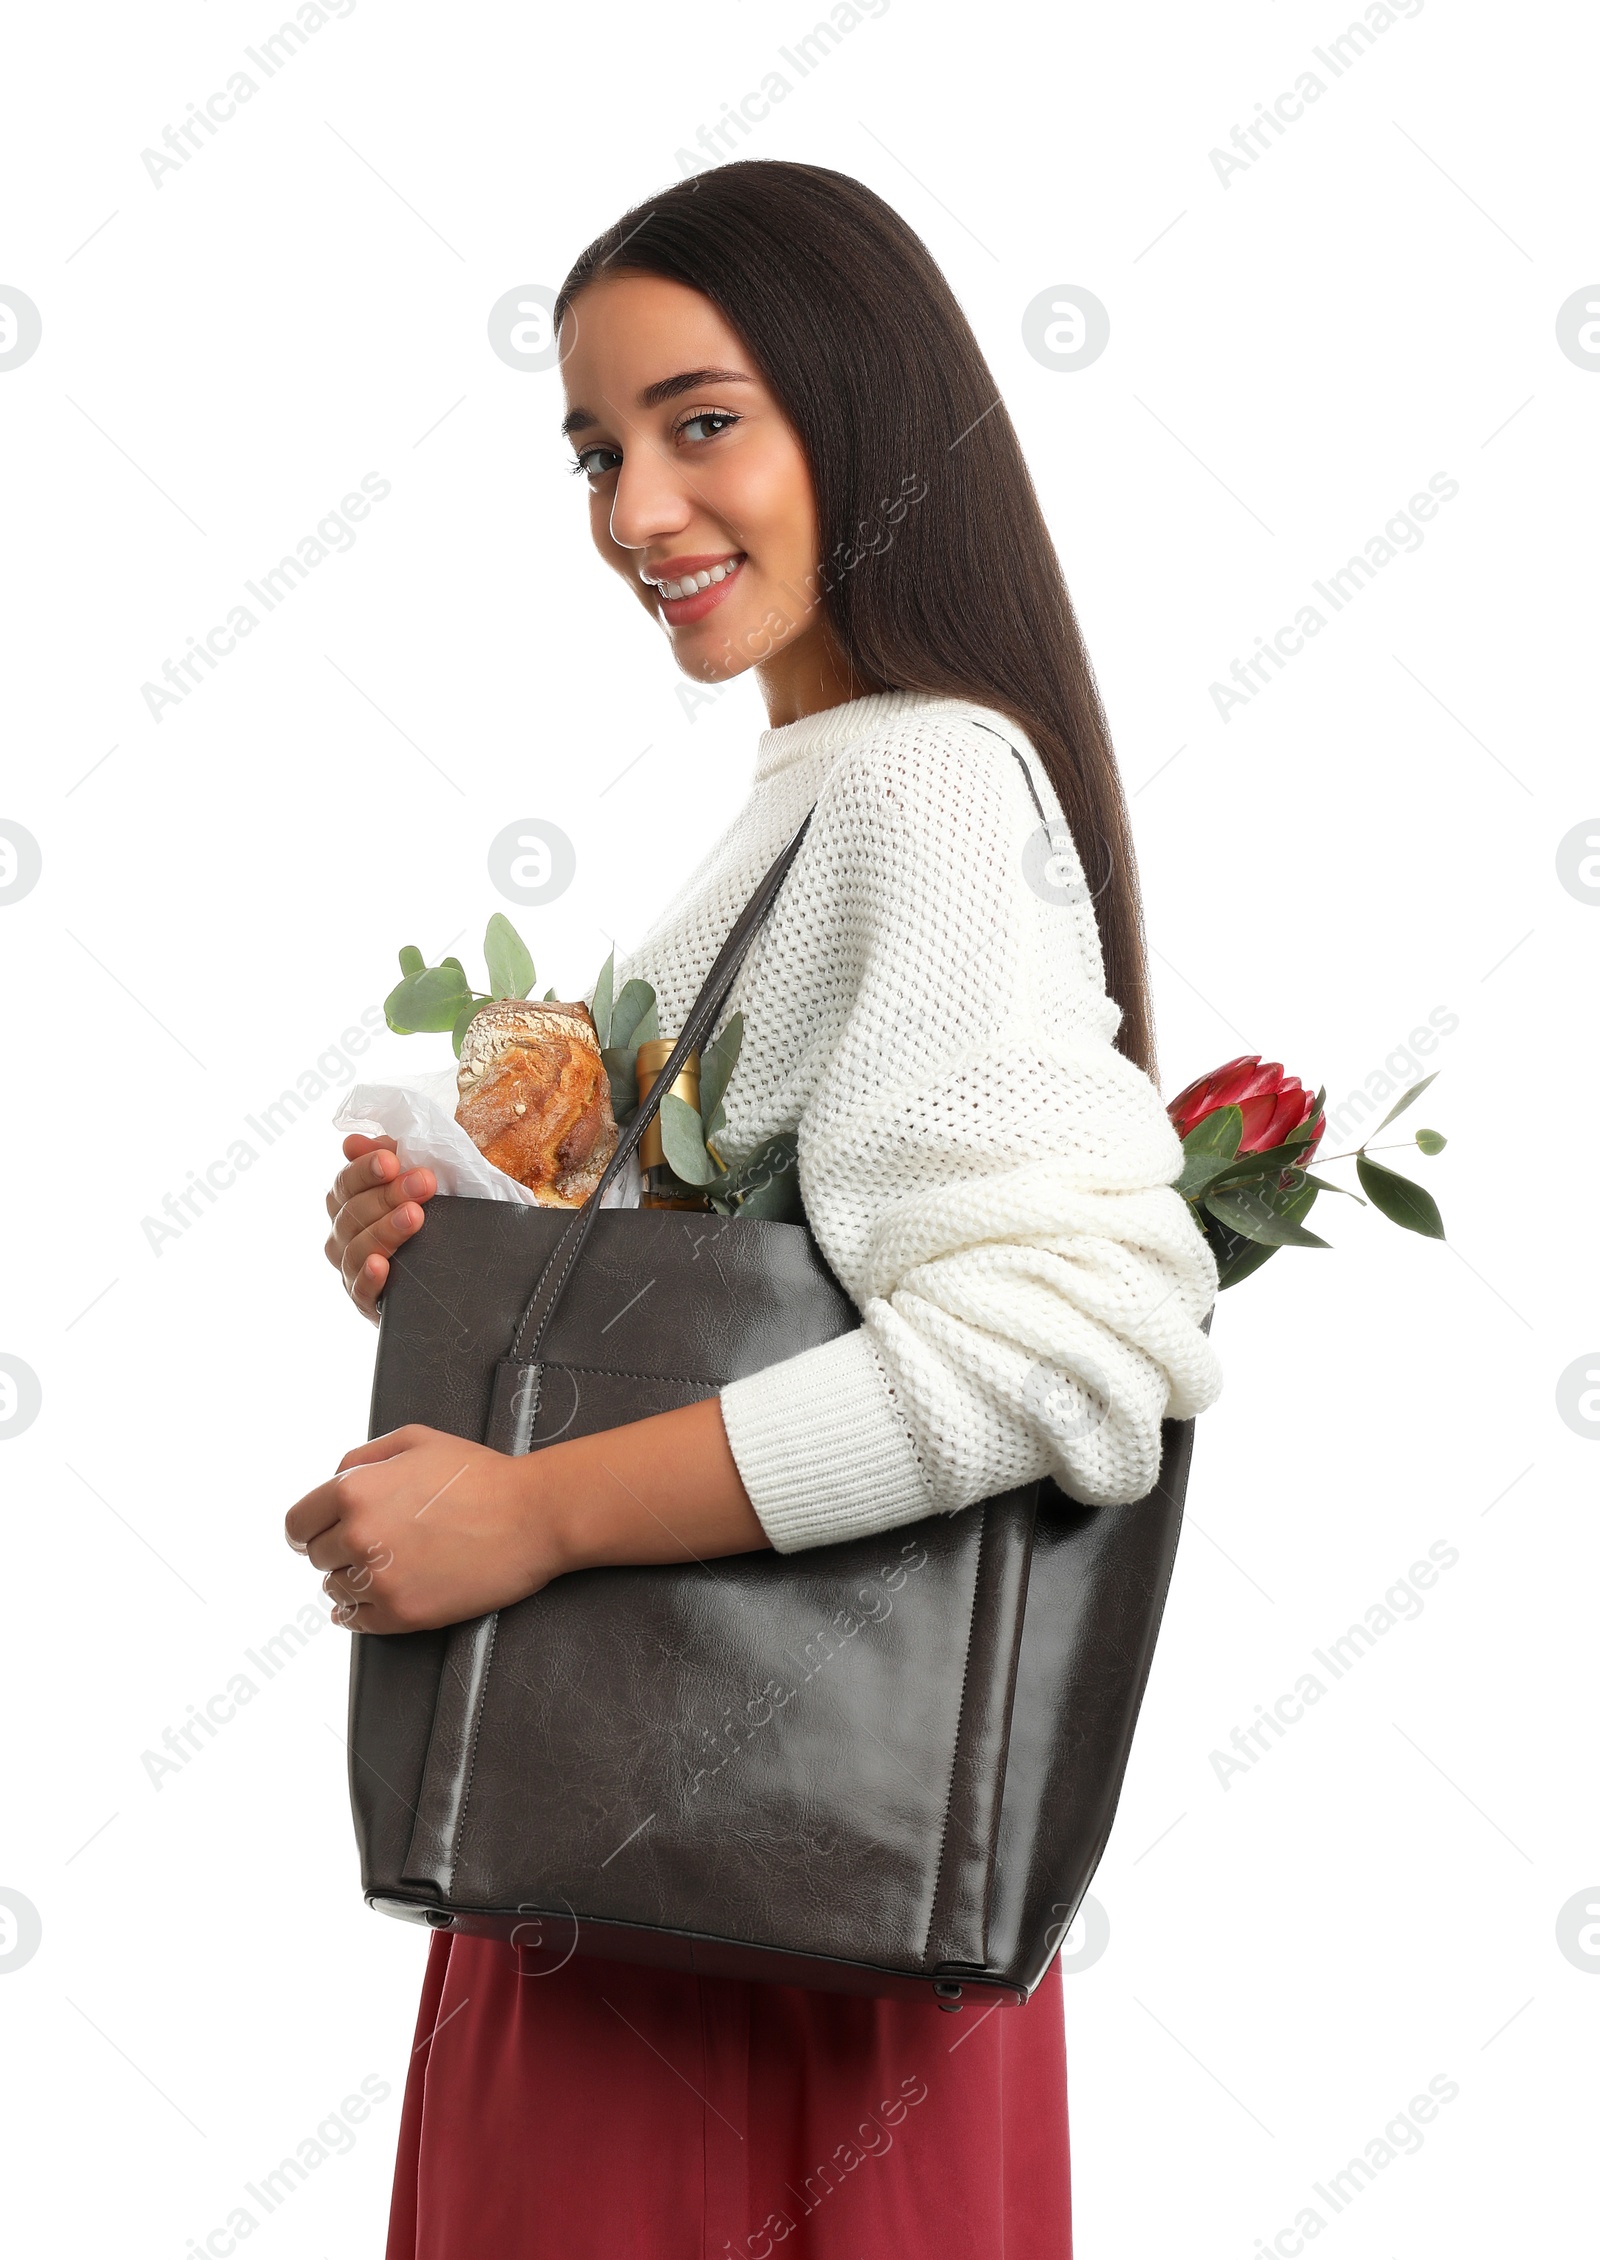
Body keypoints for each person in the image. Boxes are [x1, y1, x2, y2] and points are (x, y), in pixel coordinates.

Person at [295, 159, 1223, 2259]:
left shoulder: (913, 778)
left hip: (735, 1938)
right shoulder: (811, 790)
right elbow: (761, 1266)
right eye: (596, 451)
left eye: (699, 423)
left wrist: (525, 1509)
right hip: (681, 1862)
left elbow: (1062, 1344)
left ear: (865, 414)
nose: (634, 513)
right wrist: (469, 1253)